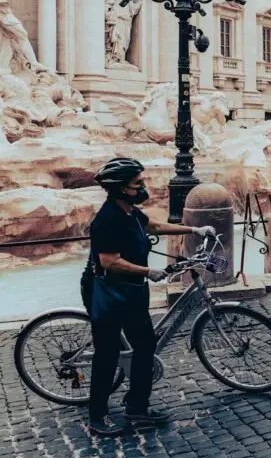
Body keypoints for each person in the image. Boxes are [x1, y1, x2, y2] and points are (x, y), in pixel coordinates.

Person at [85, 157, 217, 436]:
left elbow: (154, 227)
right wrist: (149, 271)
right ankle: (97, 416)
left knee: (145, 348)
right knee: (107, 355)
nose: (143, 186)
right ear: (120, 188)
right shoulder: (106, 220)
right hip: (108, 293)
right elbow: (109, 261)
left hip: (132, 291)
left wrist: (194, 229)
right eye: (137, 183)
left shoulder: (129, 210)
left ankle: (137, 406)